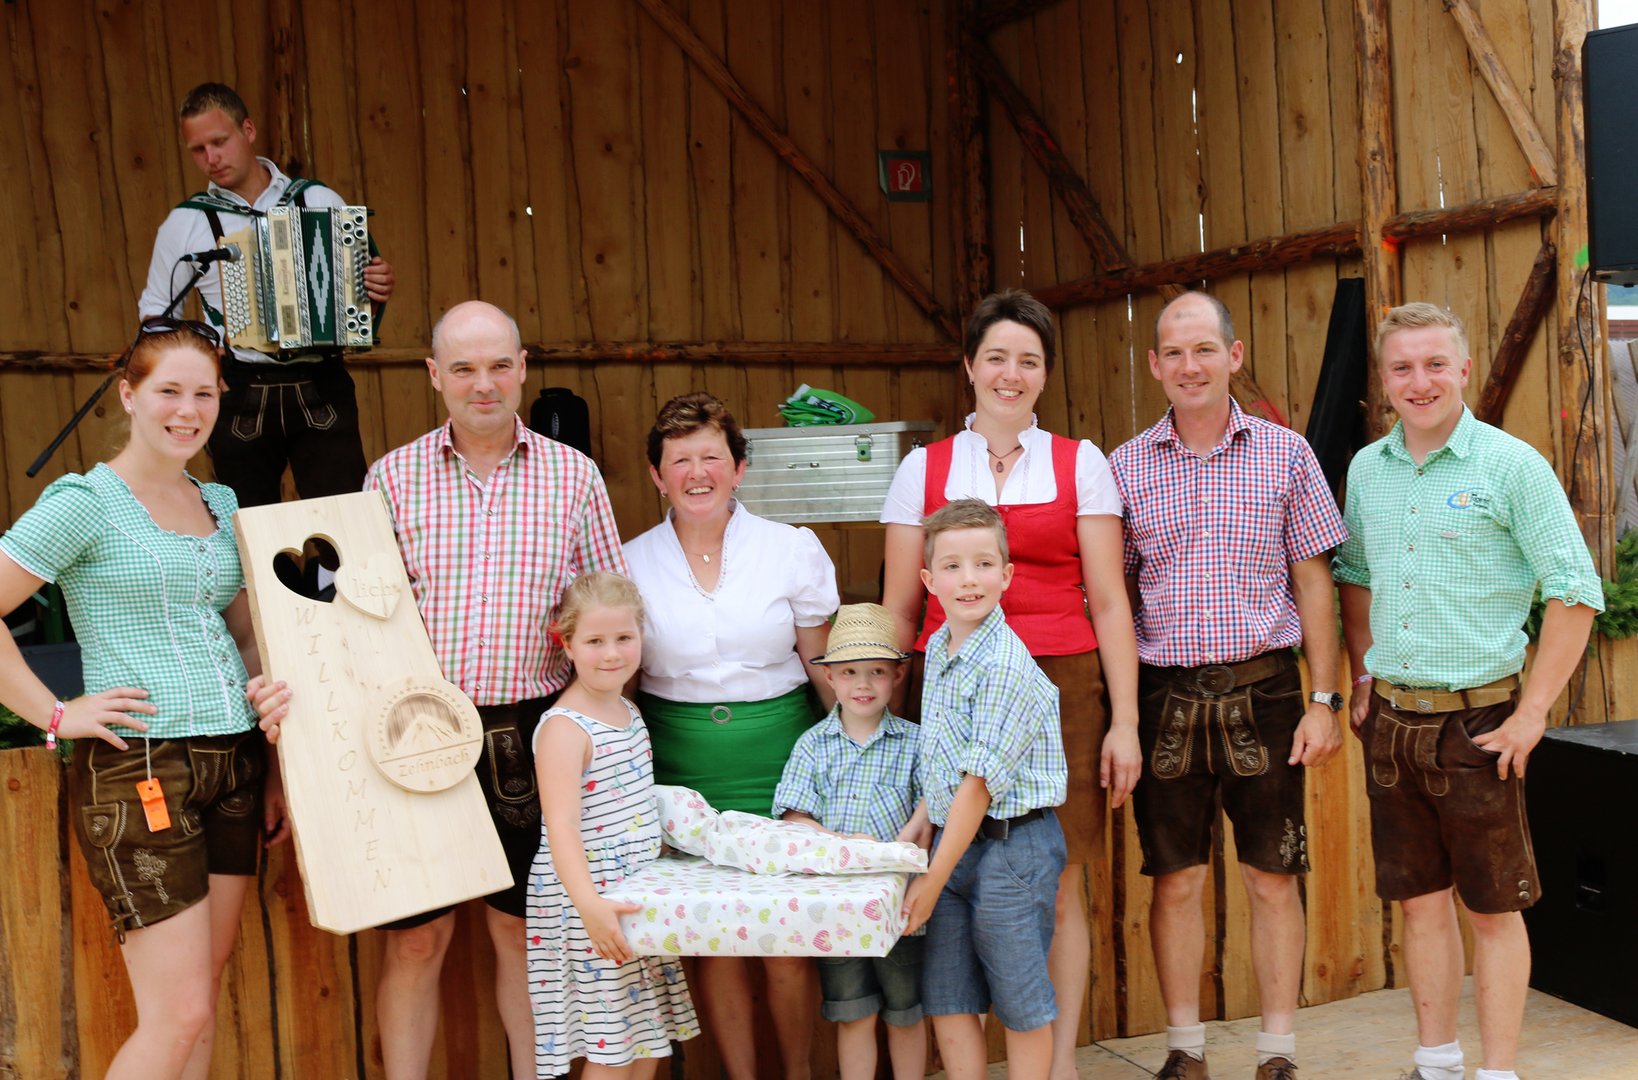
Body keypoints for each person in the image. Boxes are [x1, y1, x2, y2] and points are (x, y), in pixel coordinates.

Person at [252, 300, 627, 1079]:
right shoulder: (390, 479)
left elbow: (610, 613)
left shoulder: (574, 477)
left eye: (498, 366)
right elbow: (339, 617)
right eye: (463, 368)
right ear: (434, 376)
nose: (482, 384)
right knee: (417, 941)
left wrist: (601, 737)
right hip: (413, 735)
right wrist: (294, 687)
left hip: (532, 734)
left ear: (522, 369)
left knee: (522, 937)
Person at [0, 321, 287, 1080]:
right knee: (178, 1013)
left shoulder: (219, 501)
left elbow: (243, 636)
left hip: (234, 761)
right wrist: (57, 714)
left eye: (204, 394)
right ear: (128, 395)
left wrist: (268, 718)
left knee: (203, 994)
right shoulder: (86, 502)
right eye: (169, 391)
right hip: (143, 769)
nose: (187, 410)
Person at [1333, 302, 1603, 1080]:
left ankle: (1498, 1071)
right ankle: (1438, 1062)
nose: (1419, 382)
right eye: (1402, 368)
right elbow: (1355, 577)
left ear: (1463, 368)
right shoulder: (1367, 470)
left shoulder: (1511, 467)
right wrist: (1361, 677)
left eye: (1434, 364)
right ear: (1384, 378)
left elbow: (1575, 592)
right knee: (1420, 904)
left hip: (1480, 723)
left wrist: (1532, 713)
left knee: (1492, 909)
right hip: (1392, 722)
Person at [879, 289, 1140, 1079]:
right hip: (950, 685)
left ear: (1045, 373)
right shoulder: (923, 468)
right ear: (969, 365)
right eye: (996, 357)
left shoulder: (1080, 462)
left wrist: (1124, 720)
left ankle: (1055, 1065)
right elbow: (899, 608)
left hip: (1061, 689)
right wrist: (884, 721)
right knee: (957, 871)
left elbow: (1108, 600)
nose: (1010, 374)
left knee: (1055, 883)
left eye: (1028, 360)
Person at [1107, 290, 1348, 1080]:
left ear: (1233, 356)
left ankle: (1277, 1054)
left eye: (1205, 349)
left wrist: (1324, 700)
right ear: (1154, 365)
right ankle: (1186, 1050)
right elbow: (1114, 598)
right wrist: (1121, 715)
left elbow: (1314, 583)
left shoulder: (1287, 454)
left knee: (1272, 878)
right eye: (1174, 353)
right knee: (1175, 881)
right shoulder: (1123, 467)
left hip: (1268, 691)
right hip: (1164, 695)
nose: (1190, 366)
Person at [624, 391, 839, 1080]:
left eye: (712, 457)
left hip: (781, 763)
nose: (698, 473)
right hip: (680, 775)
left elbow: (822, 666)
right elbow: (623, 685)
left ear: (739, 468)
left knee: (785, 941)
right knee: (710, 942)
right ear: (657, 475)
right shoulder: (629, 562)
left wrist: (850, 757)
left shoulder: (790, 550)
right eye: (680, 460)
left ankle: (798, 1074)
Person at [138, 82, 396, 508]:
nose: (211, 158)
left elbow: (361, 287)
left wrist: (377, 285)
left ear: (248, 130)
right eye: (198, 149)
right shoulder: (186, 222)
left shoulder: (316, 198)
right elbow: (155, 314)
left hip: (321, 380)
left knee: (346, 521)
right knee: (250, 527)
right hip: (240, 388)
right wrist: (199, 352)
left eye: (219, 142)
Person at [900, 498, 1068, 1080]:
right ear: (929, 581)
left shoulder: (1004, 665)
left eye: (983, 564)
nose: (968, 579)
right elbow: (946, 755)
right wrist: (920, 822)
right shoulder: (939, 649)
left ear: (1007, 574)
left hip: (1012, 848)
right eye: (952, 566)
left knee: (1020, 1003)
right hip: (955, 842)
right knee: (949, 997)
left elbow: (978, 785)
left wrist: (930, 880)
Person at [529, 571, 697, 1077]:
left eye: (624, 638)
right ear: (567, 644)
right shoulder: (565, 729)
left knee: (648, 1046)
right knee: (613, 1054)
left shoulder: (626, 710)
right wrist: (590, 906)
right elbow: (561, 826)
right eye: (594, 641)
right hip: (588, 901)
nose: (611, 654)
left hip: (633, 895)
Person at [770, 603, 927, 1080]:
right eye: (849, 672)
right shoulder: (812, 745)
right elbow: (794, 817)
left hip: (901, 908)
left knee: (906, 1011)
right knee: (852, 1011)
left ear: (898, 675)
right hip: (835, 908)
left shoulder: (915, 744)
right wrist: (843, 844)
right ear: (830, 678)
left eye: (876, 671)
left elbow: (932, 815)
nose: (863, 684)